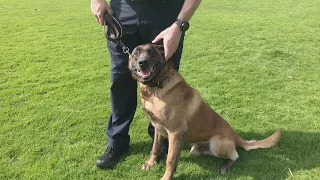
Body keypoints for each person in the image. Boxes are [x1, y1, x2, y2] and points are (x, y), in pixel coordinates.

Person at [91, 0, 201, 168]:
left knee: (164, 83)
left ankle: (161, 142)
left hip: (166, 14)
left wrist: (179, 25)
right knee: (120, 81)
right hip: (123, 11)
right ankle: (117, 142)